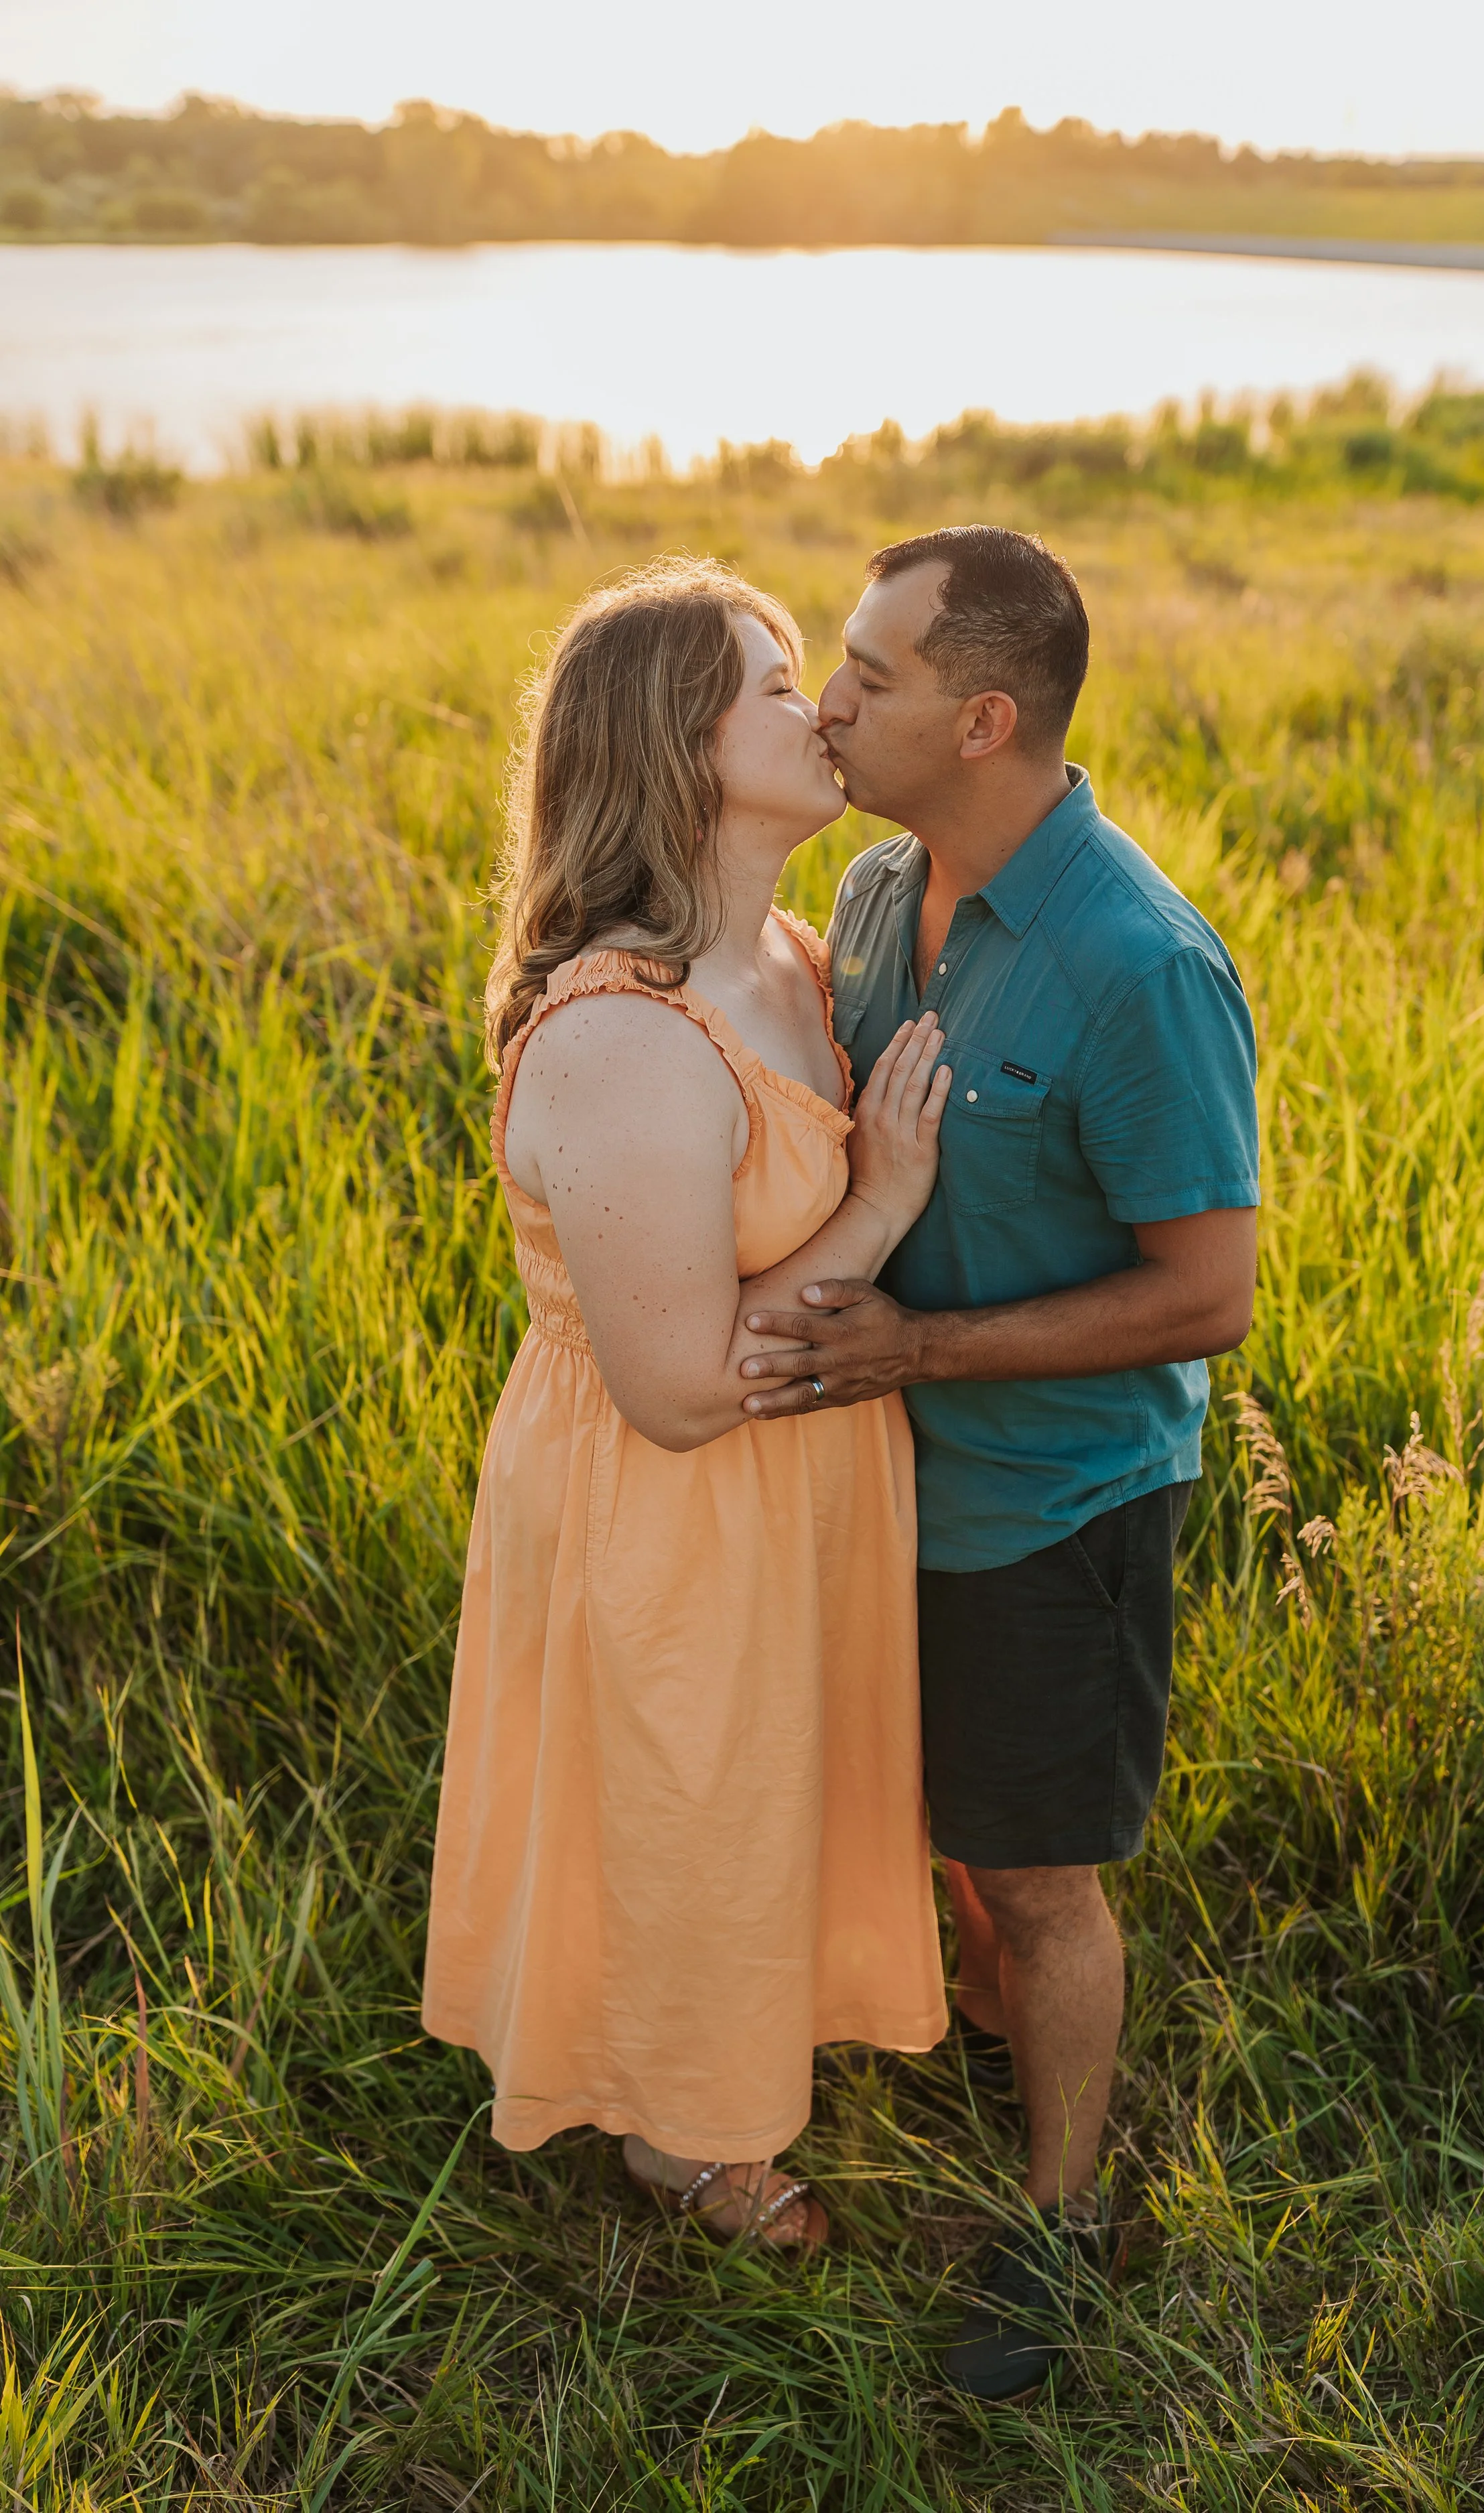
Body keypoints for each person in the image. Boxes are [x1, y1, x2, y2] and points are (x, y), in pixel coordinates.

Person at [736, 527, 1260, 2392]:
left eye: (866, 672)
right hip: (882, 1472)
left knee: (1040, 1870)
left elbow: (1207, 1293)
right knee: (958, 1824)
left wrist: (922, 1347)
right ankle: (985, 2030)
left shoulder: (1140, 962)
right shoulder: (880, 889)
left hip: (1053, 1496)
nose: (827, 697)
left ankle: (1062, 2220)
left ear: (979, 715)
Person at [422, 558, 952, 2251]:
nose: (825, 710)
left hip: (804, 1463)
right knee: (683, 1783)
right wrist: (874, 1208)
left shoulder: (793, 955)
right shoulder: (621, 1040)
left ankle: (749, 2029)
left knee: (771, 1767)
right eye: (778, 680)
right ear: (678, 747)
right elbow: (671, 1388)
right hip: (681, 1484)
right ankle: (679, 2131)